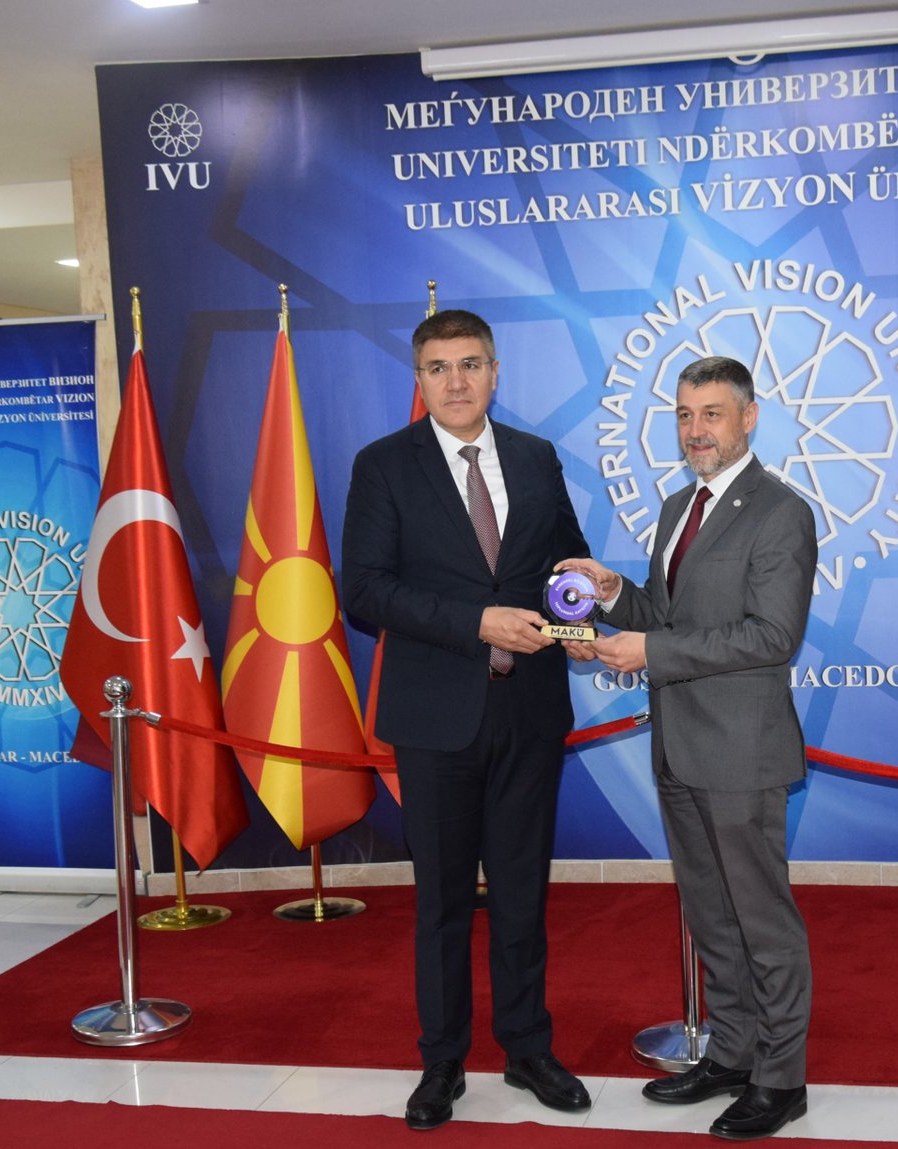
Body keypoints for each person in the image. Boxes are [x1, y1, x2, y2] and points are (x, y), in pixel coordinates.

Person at [341, 308, 593, 1131]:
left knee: (522, 892)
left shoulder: (536, 456)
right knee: (443, 900)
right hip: (434, 717)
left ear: (495, 371)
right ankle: (442, 1060)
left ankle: (528, 1048)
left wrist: (582, 615)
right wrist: (477, 622)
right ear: (418, 378)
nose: (456, 381)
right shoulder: (384, 465)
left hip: (529, 711)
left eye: (471, 364)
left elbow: (564, 567)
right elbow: (364, 591)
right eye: (438, 367)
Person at [558, 355, 816, 1141]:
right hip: (678, 748)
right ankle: (732, 1053)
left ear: (749, 417)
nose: (695, 429)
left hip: (741, 753)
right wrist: (613, 595)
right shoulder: (678, 507)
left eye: (711, 413)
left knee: (762, 921)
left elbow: (772, 636)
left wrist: (652, 651)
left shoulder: (782, 512)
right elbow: (669, 620)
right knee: (711, 916)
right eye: (683, 414)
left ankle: (781, 1079)